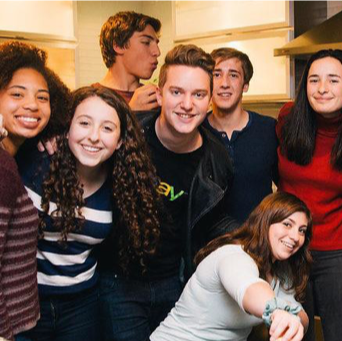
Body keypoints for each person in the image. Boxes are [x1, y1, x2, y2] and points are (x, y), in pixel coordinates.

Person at [97, 44, 237, 341]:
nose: (187, 104)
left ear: (210, 100)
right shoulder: (125, 138)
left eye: (198, 95)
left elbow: (216, 225)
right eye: (177, 92)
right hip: (118, 283)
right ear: (159, 94)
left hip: (176, 283)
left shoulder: (217, 161)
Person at [16, 86, 160, 341]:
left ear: (120, 141)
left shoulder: (123, 184)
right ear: (68, 127)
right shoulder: (34, 161)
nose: (94, 136)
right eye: (84, 123)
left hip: (82, 306)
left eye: (107, 128)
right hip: (24, 302)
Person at [277, 49, 342, 341]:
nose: (322, 89)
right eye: (314, 80)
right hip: (288, 250)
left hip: (337, 252)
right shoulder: (287, 119)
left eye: (333, 80)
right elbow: (272, 169)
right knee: (293, 335)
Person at [150, 192, 311, 341]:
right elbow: (249, 288)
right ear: (265, 222)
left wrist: (294, 320)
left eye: (302, 230)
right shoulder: (233, 256)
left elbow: (301, 315)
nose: (295, 237)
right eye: (287, 224)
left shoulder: (281, 271)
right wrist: (277, 312)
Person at [0, 41, 69, 341]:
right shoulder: (2, 168)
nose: (32, 105)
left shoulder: (15, 158)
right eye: (17, 94)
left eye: (42, 97)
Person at [203, 47, 278, 223]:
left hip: (257, 243)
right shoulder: (195, 131)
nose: (224, 83)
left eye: (233, 75)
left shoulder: (269, 129)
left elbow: (291, 180)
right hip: (207, 245)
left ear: (245, 85)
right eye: (217, 74)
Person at [96, 11, 161, 110]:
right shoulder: (88, 99)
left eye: (157, 44)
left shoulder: (155, 98)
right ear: (118, 45)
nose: (157, 52)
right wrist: (132, 112)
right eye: (146, 42)